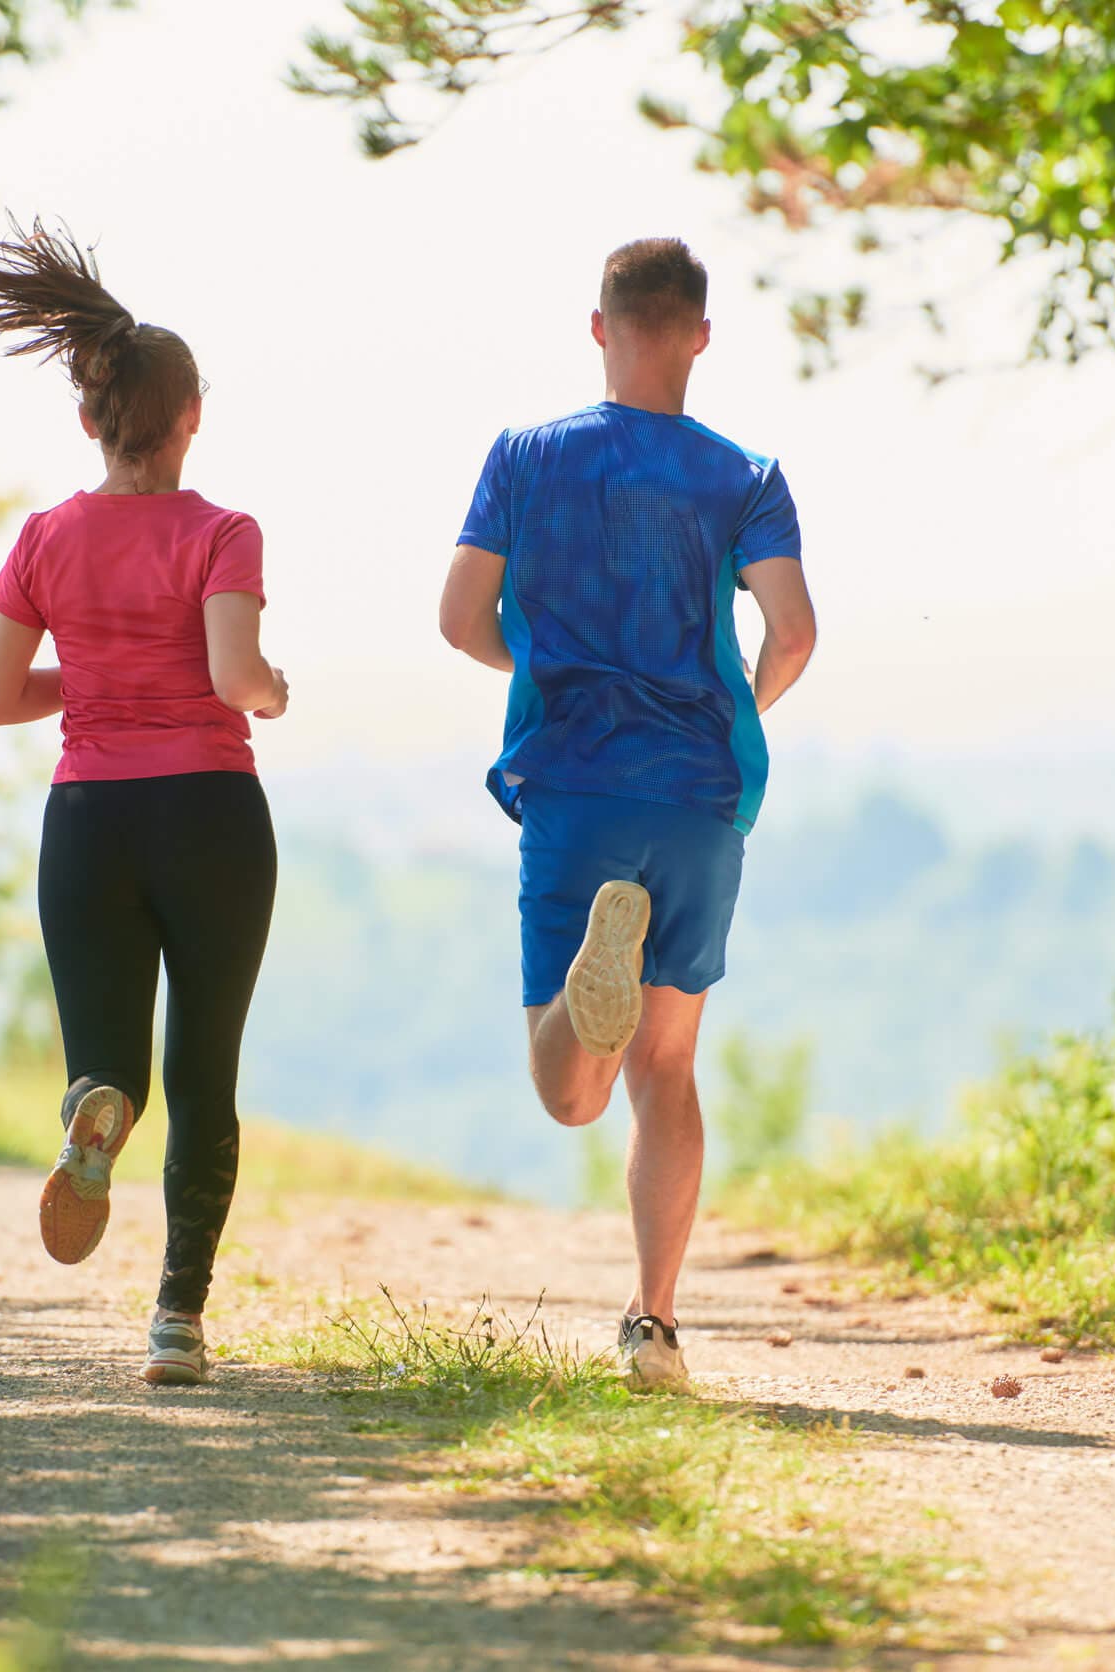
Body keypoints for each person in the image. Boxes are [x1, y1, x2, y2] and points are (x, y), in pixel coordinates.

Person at [438, 237, 818, 1391]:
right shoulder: (747, 474)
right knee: (668, 1068)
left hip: (576, 781)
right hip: (699, 792)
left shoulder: (525, 457)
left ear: (599, 328)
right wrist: (730, 710)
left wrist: (542, 668)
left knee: (571, 1093)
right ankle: (655, 1329)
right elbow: (794, 634)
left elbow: (460, 618)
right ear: (701, 334)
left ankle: (583, 991)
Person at [0, 222, 288, 1387]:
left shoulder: (46, 537)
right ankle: (177, 1319)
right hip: (212, 818)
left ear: (89, 420)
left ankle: (93, 1109)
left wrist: (96, 673)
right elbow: (236, 678)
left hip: (89, 821)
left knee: (114, 1064)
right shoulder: (222, 532)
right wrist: (271, 691)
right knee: (206, 1074)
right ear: (192, 419)